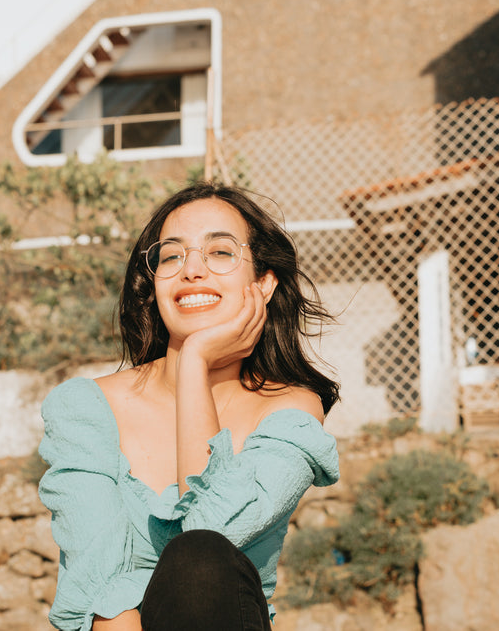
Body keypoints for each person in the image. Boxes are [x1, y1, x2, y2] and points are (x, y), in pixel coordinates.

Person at [37, 182, 341, 631]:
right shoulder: (86, 408)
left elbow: (210, 531)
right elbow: (101, 592)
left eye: (220, 252)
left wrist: (195, 361)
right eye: (172, 256)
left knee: (198, 559)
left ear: (263, 282)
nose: (191, 270)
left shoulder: (291, 410)